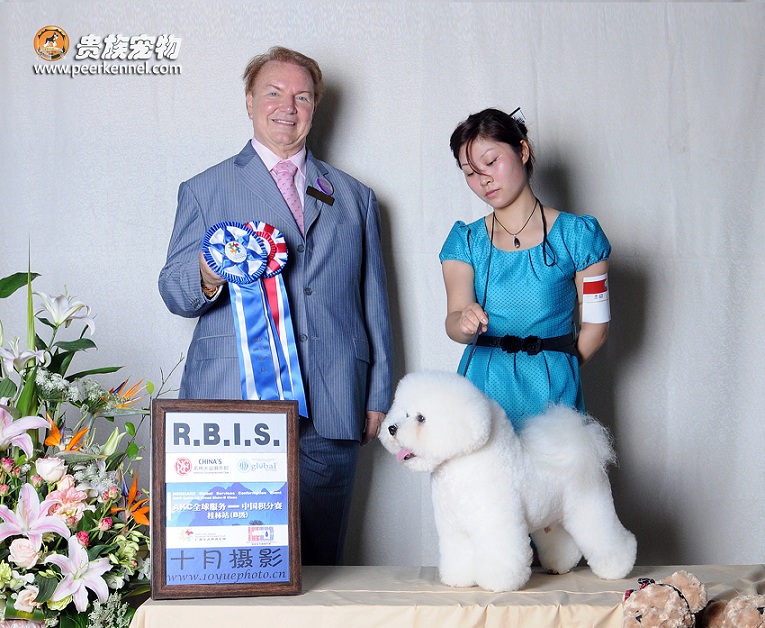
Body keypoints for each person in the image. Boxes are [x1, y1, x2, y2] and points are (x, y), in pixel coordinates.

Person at [158, 46, 393, 566]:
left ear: (315, 108)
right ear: (249, 101)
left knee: (322, 566)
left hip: (334, 403)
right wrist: (214, 268)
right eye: (274, 92)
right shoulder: (204, 188)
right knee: (233, 564)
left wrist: (378, 392)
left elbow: (373, 300)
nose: (288, 106)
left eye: (302, 96)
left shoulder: (355, 196)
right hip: (231, 405)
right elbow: (174, 290)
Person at [439, 108, 610, 430]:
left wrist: (559, 370)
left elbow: (596, 327)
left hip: (553, 394)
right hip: (481, 390)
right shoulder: (465, 240)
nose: (483, 179)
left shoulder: (579, 236)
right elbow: (454, 321)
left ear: (522, 150)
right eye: (470, 172)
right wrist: (463, 322)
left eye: (491, 162)